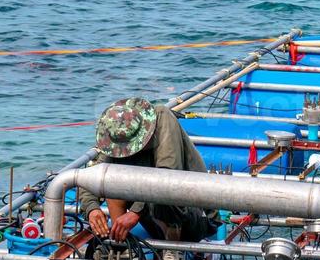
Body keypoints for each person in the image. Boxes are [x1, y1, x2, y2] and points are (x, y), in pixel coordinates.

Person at [81, 97, 220, 243]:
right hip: (153, 219)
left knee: (164, 195)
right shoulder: (117, 139)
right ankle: (120, 242)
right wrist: (92, 209)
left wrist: (135, 212)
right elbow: (93, 176)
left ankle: (173, 249)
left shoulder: (163, 120)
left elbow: (166, 177)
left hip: (194, 216)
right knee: (111, 178)